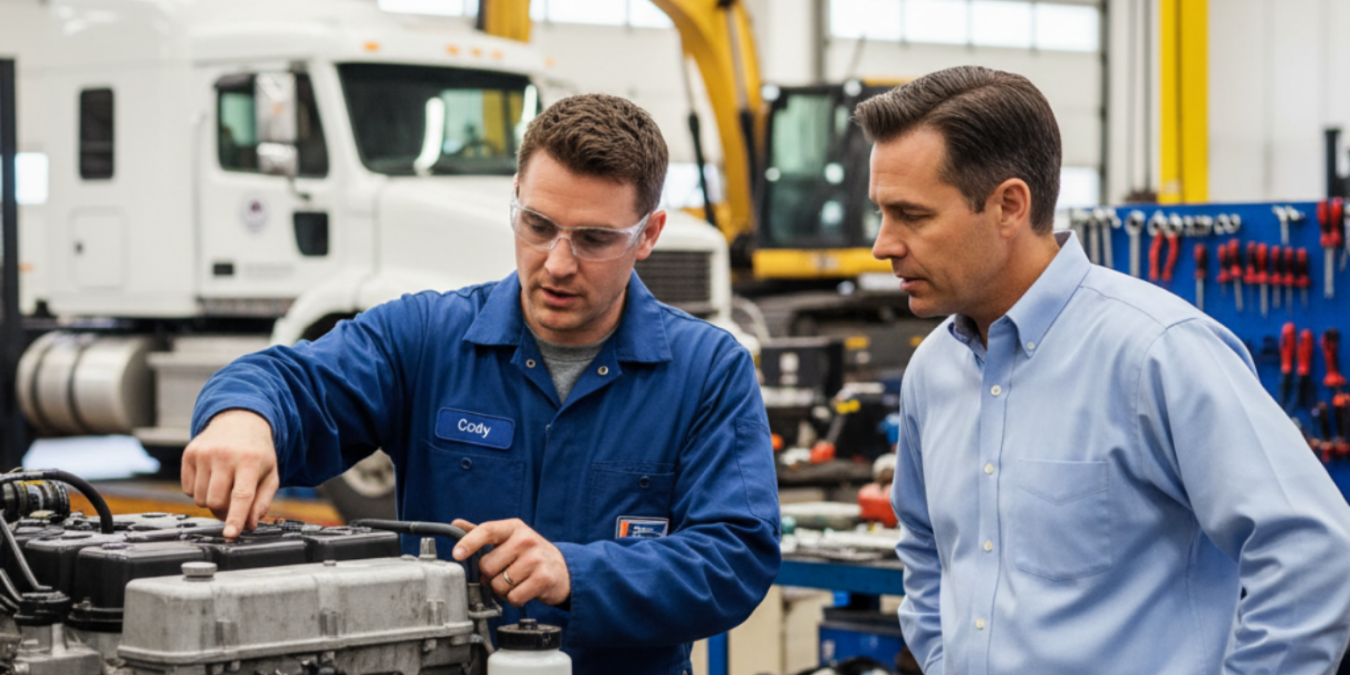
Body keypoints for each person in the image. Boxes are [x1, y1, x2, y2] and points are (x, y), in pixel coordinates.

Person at [181, 93, 781, 673]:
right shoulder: (427, 337)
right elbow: (291, 379)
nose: (558, 262)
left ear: (648, 234)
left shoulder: (707, 371)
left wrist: (576, 573)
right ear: (515, 200)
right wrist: (244, 417)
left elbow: (735, 556)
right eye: (538, 225)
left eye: (595, 239)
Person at [860, 65, 1350, 675]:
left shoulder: (1159, 354)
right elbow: (925, 549)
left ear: (1010, 205)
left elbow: (1311, 553)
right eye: (883, 212)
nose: (883, 244)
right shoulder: (932, 370)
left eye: (913, 215)